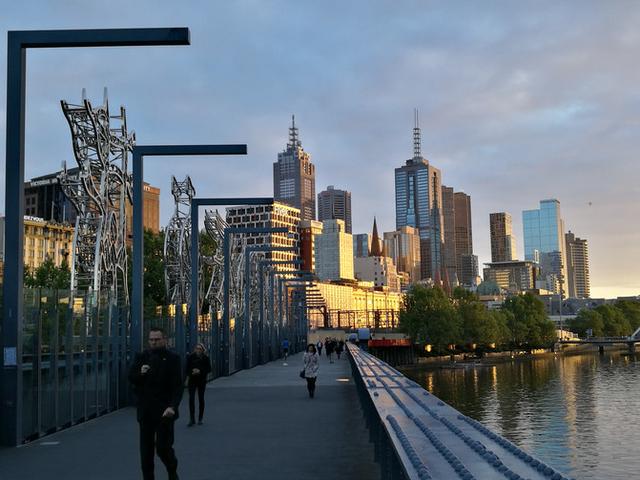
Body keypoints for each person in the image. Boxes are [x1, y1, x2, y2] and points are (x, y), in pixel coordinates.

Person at [129, 327, 183, 480]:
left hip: (164, 411)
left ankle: (172, 470)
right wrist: (141, 373)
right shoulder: (141, 357)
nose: (154, 342)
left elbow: (177, 386)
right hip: (145, 411)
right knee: (146, 452)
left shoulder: (173, 358)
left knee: (162, 448)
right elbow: (131, 377)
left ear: (164, 340)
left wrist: (172, 407)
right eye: (151, 340)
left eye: (157, 339)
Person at [185, 343, 212, 427]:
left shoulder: (205, 358)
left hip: (201, 381)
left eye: (200, 349)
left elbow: (209, 369)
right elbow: (187, 368)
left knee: (201, 398)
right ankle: (192, 419)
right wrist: (191, 372)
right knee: (191, 399)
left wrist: (200, 371)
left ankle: (200, 418)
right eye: (197, 348)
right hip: (192, 380)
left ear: (203, 350)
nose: (198, 350)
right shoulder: (191, 357)